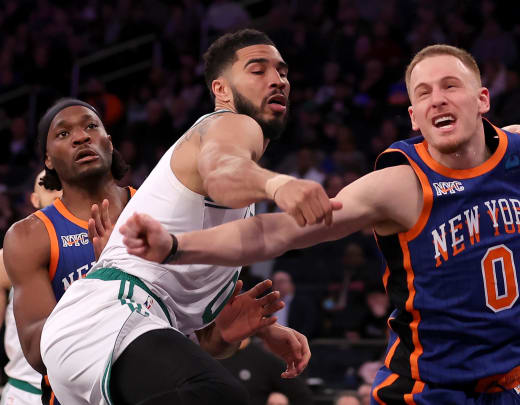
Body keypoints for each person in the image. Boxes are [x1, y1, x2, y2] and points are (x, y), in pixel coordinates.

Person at [122, 46, 520, 404]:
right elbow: (278, 233)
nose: (438, 98)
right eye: (423, 93)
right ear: (413, 117)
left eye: (450, 86)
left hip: (513, 388)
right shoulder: (400, 183)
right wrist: (175, 246)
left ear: (482, 100)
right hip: (429, 392)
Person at [41, 29, 324, 405]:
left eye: (283, 72)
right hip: (108, 319)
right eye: (258, 70)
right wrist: (278, 186)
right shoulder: (228, 124)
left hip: (108, 337)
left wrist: (235, 334)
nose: (277, 80)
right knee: (218, 396)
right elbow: (222, 170)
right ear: (221, 90)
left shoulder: (232, 203)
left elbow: (198, 342)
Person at [3, 99, 137, 405]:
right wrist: (106, 279)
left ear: (109, 142)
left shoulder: (153, 209)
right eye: (63, 134)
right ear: (48, 160)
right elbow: (38, 352)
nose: (81, 136)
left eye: (91, 126)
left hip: (158, 384)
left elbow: (194, 330)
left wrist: (220, 338)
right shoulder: (30, 235)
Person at [0, 170, 62, 405]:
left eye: (63, 185)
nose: (58, 193)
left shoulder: (98, 245)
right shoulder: (12, 256)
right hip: (25, 391)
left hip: (77, 390)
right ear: (35, 200)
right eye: (50, 186)